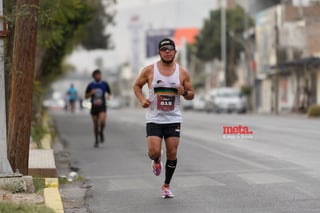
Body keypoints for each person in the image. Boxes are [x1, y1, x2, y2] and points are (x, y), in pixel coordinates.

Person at [133, 38, 195, 198]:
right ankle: (156, 160)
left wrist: (185, 93)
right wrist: (142, 100)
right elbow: (136, 86)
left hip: (173, 118)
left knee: (172, 152)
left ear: (175, 52)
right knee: (154, 152)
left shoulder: (182, 72)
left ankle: (166, 186)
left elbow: (191, 94)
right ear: (159, 52)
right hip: (154, 118)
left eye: (170, 49)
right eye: (164, 49)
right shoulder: (149, 70)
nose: (167, 51)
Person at [85, 69, 112, 148]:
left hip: (102, 106)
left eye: (100, 75)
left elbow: (109, 93)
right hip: (94, 107)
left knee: (102, 122)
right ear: (94, 76)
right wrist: (91, 93)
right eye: (97, 75)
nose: (99, 76)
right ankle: (96, 140)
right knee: (96, 124)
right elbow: (86, 96)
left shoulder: (104, 84)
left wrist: (108, 96)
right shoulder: (90, 85)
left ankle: (101, 132)